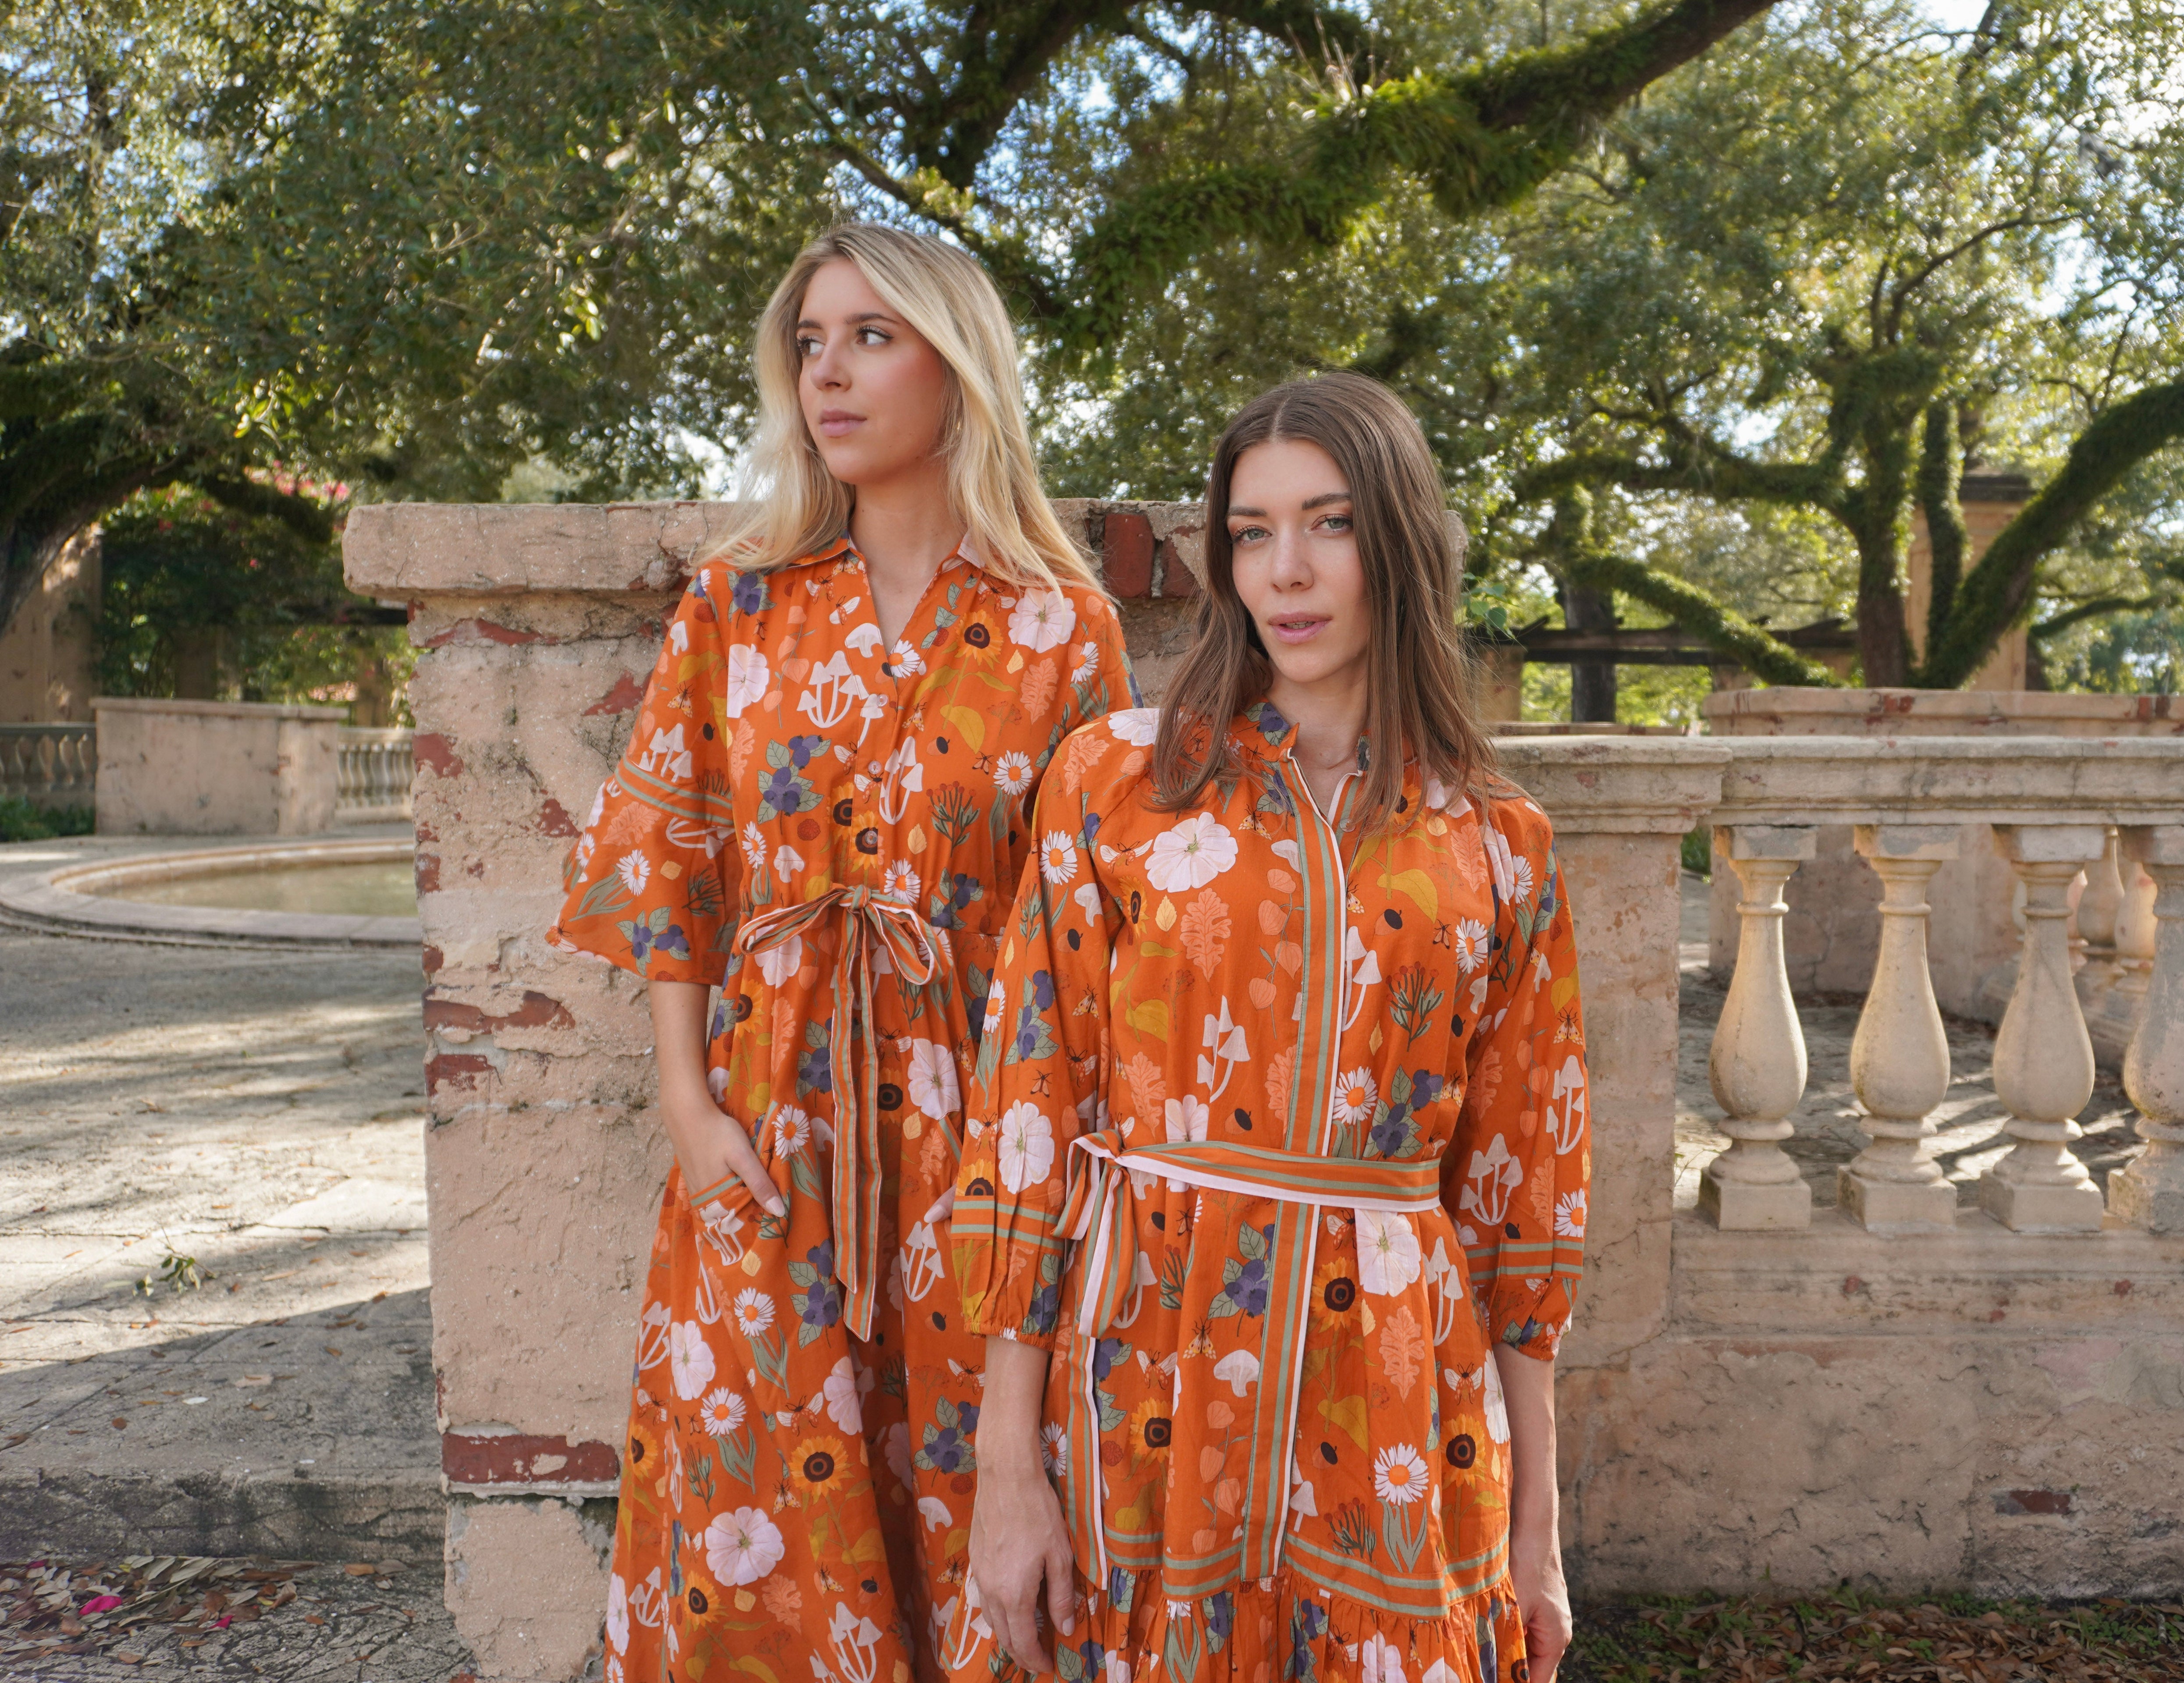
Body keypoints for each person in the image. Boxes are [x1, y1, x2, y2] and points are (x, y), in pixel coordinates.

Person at [551, 221, 1137, 1683]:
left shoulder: (1066, 631)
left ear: (960, 366)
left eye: (872, 337)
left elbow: (1088, 943)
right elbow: (673, 860)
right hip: (767, 1132)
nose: (828, 373)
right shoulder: (737, 604)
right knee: (753, 1525)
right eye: (809, 344)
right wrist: (688, 1107)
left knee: (979, 1517)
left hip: (979, 1142)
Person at [950, 373, 1588, 1683]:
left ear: (1400, 543)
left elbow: (1523, 1198)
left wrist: (1541, 1531)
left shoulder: (1498, 842)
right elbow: (1028, 1120)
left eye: (1330, 524)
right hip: (1148, 1379)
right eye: (1252, 533)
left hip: (1400, 1404)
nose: (1286, 571)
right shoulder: (1121, 781)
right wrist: (1005, 1479)